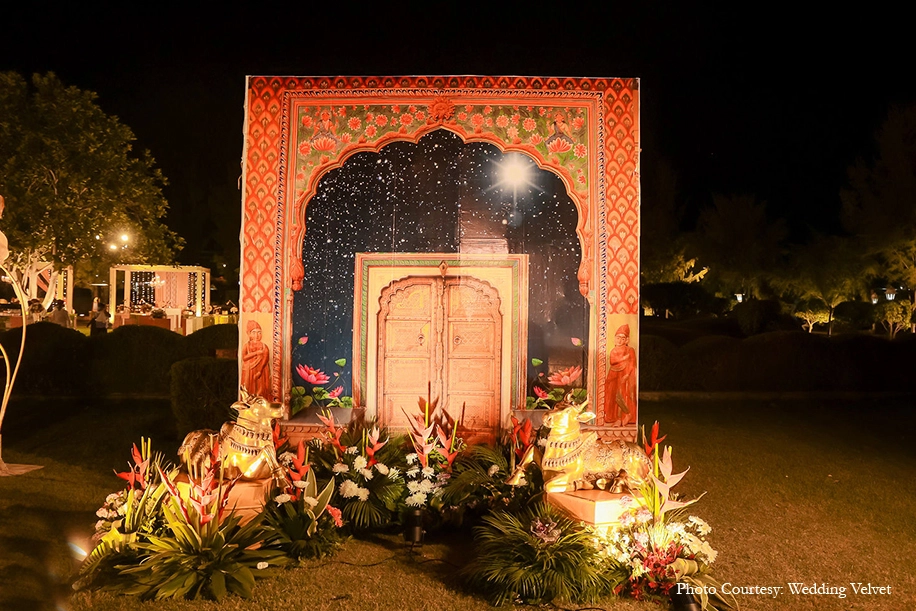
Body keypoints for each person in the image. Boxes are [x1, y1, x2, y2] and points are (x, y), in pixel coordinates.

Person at [603, 323, 637, 427]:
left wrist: (627, 375)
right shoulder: (614, 350)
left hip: (624, 375)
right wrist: (623, 358)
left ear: (626, 340)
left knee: (622, 395)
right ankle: (614, 417)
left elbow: (632, 364)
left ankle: (624, 415)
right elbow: (613, 361)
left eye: (623, 338)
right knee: (612, 395)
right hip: (614, 375)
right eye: (618, 338)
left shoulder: (630, 350)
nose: (620, 340)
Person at [241, 319, 271, 399]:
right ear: (249, 334)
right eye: (254, 332)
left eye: (259, 332)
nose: (257, 335)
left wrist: (259, 371)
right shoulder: (246, 346)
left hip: (261, 371)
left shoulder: (264, 346)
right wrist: (256, 353)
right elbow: (244, 358)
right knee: (248, 390)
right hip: (249, 370)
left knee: (260, 390)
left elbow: (265, 359)